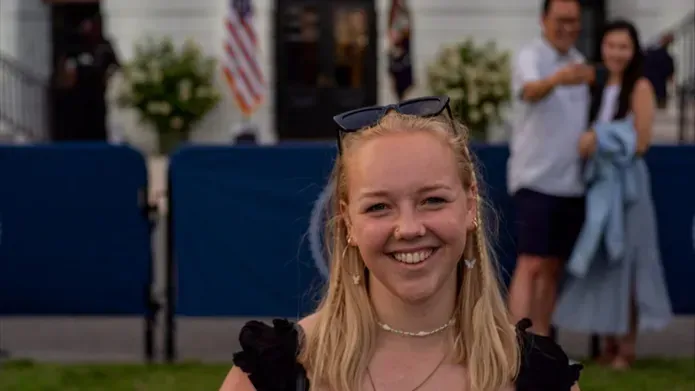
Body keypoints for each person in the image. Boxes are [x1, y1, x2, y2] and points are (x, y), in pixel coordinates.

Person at [219, 96, 582, 391]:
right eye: (379, 207)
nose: (408, 228)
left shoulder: (538, 377)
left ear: (470, 205)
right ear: (349, 223)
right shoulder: (276, 374)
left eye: (433, 200)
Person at [553, 20, 673, 371]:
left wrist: (601, 138)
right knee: (605, 265)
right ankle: (607, 344)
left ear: (633, 50)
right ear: (602, 47)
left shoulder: (641, 87)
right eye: (611, 45)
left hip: (629, 191)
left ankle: (626, 348)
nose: (617, 52)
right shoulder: (598, 85)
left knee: (629, 266)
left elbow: (641, 141)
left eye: (624, 46)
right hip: (598, 188)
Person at [506, 0, 594, 337]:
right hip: (535, 179)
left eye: (573, 21)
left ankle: (541, 342)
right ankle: (516, 340)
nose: (568, 27)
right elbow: (530, 91)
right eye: (561, 20)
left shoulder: (579, 62)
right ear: (543, 21)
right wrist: (557, 79)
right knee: (531, 262)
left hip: (572, 182)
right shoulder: (531, 56)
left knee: (553, 266)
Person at [644, 33, 675, 110]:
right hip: (658, 86)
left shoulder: (649, 53)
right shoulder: (667, 58)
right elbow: (670, 74)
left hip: (649, 83)